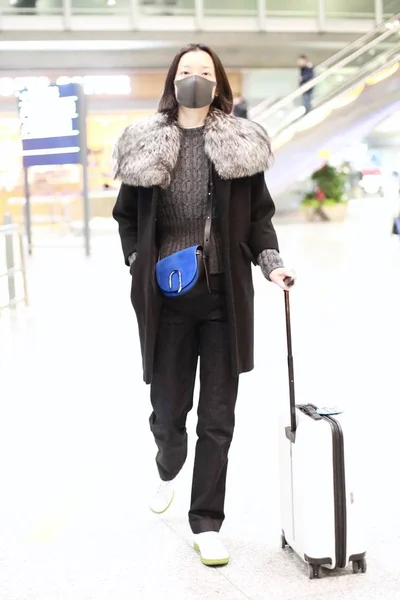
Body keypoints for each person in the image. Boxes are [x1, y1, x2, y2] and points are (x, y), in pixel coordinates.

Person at [112, 43, 295, 567]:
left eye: (205, 72)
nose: (195, 78)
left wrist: (272, 263)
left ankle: (206, 523)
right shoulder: (144, 143)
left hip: (222, 296)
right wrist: (135, 260)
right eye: (187, 70)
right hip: (167, 296)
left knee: (218, 417)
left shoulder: (239, 144)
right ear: (173, 79)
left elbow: (259, 217)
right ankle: (167, 461)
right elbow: (126, 216)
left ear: (218, 84)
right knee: (170, 411)